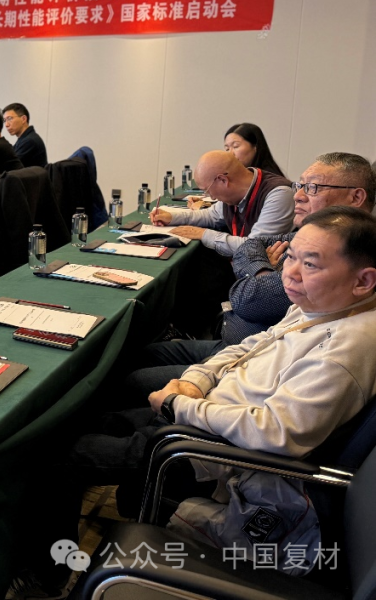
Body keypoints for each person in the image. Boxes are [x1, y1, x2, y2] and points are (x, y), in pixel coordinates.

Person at [21, 206, 376, 596]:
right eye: (289, 256)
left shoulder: (346, 349)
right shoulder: (322, 304)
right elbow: (249, 346)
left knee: (55, 459)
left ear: (363, 280)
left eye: (310, 264)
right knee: (80, 422)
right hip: (199, 418)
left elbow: (276, 434)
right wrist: (193, 381)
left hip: (212, 453)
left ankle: (48, 578)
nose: (290, 273)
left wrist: (178, 405)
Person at [129, 152, 376, 395]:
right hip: (239, 348)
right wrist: (263, 271)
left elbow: (249, 300)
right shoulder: (311, 232)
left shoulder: (346, 255)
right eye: (300, 185)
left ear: (356, 197)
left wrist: (257, 273)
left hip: (252, 367)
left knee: (134, 381)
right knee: (143, 354)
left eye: (313, 188)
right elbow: (251, 245)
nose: (298, 196)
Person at [149, 149, 293, 255]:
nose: (211, 197)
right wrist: (172, 217)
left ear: (223, 180)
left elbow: (255, 247)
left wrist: (204, 234)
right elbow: (211, 216)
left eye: (207, 190)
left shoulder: (279, 194)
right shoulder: (236, 191)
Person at [2, 103, 48, 168]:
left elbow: (11, 166)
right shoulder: (25, 139)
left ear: (23, 119)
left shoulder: (30, 141)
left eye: (10, 119)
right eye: (4, 120)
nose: (6, 125)